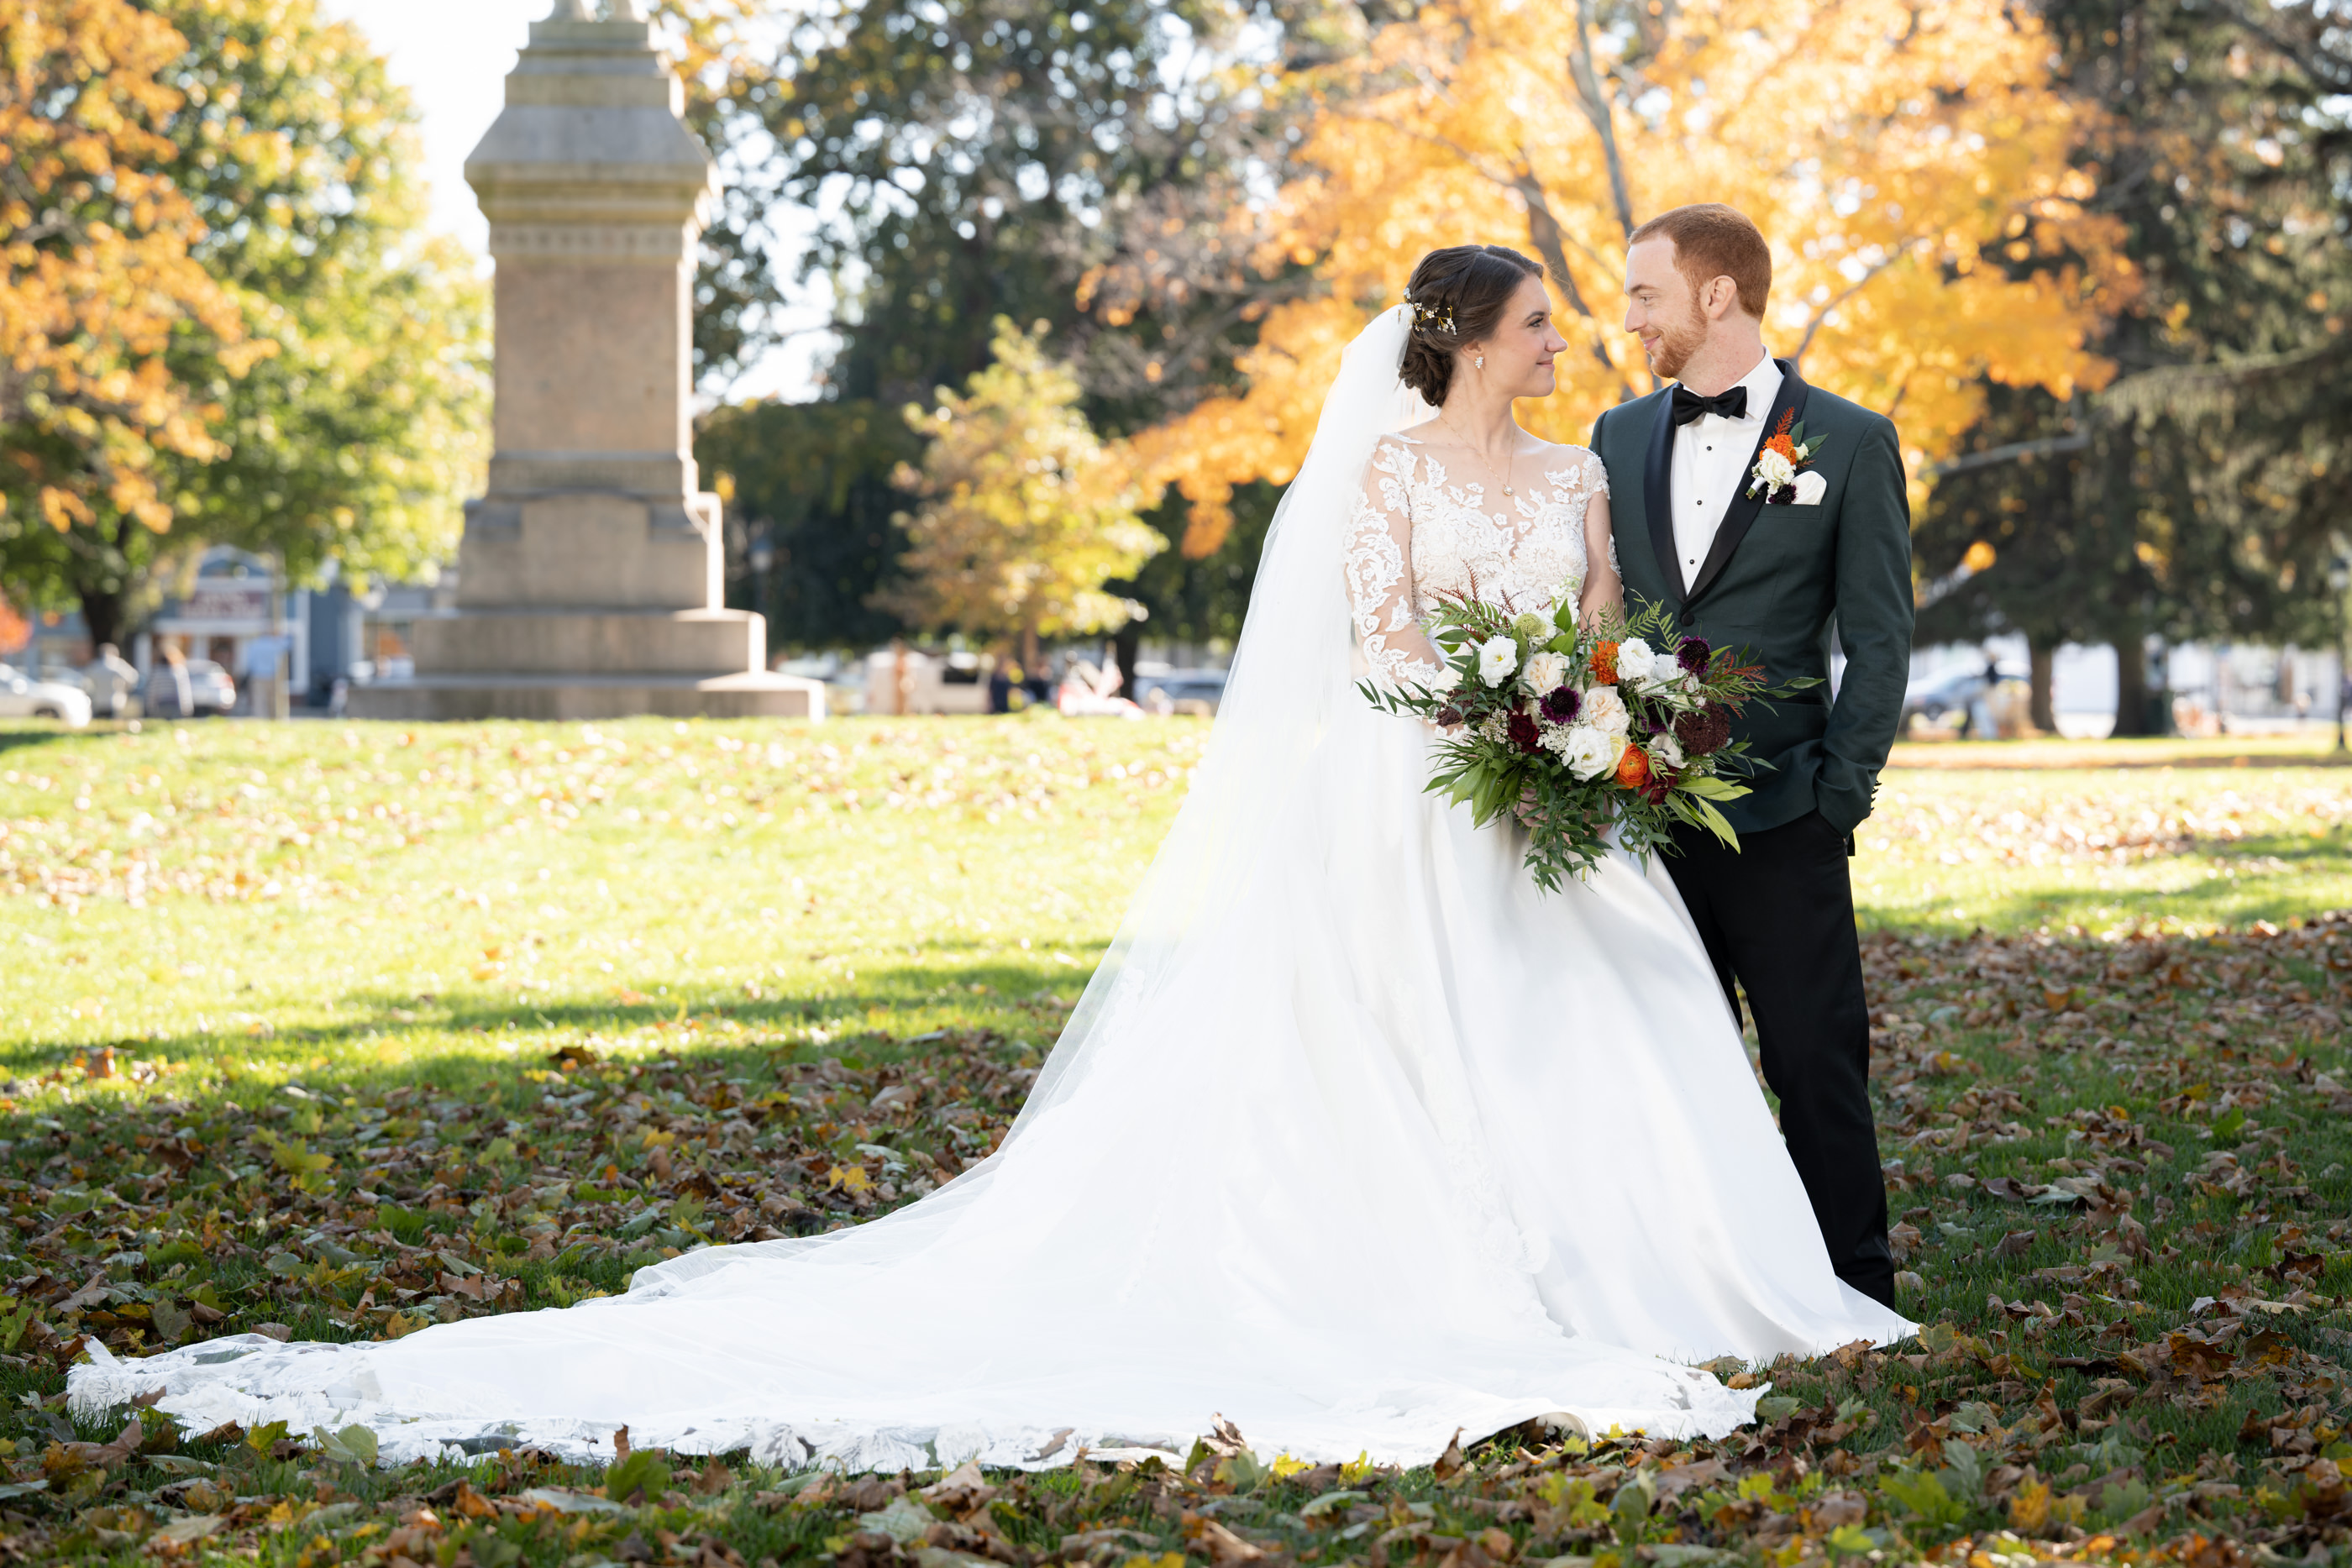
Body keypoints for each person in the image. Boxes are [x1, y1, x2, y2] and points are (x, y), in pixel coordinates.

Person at [71, 242, 1911, 1474]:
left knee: (1612, 1017)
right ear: (1462, 336)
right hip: (1431, 799)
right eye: (1531, 322)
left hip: (1558, 811)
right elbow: (1380, 647)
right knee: (1416, 1048)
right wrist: (1494, 717)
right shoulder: (1379, 480)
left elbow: (1601, 623)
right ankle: (1456, 1273)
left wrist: (1586, 711)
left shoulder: (1583, 477)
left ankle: (1698, 1275)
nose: (1559, 342)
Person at [1589, 205, 1912, 1308]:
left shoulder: (1852, 442)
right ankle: (1700, 1283)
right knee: (1668, 1070)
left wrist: (1838, 794)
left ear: (1714, 295)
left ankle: (1856, 1286)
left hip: (1785, 815)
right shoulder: (1615, 435)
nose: (1628, 319)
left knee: (1816, 1063)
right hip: (1640, 818)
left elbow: (1880, 638)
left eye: (1645, 295)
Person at [81, 643, 139, 721]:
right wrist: (126, 689)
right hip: (116, 702)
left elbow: (85, 681)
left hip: (98, 702)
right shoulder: (118, 664)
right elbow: (133, 678)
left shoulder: (94, 666)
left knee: (100, 725)